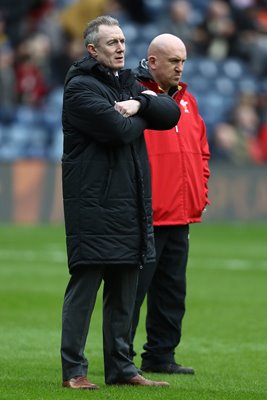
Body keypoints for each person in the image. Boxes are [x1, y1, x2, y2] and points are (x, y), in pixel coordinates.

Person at [60, 17, 180, 390]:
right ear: (93, 49)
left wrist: (138, 102)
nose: (121, 48)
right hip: (94, 206)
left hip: (130, 203)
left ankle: (122, 370)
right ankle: (74, 372)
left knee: (125, 293)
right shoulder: (79, 89)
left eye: (123, 40)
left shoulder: (127, 82)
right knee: (84, 291)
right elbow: (118, 131)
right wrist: (144, 110)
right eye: (112, 42)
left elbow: (171, 112)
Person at [129, 34, 211, 374]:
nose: (180, 67)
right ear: (152, 62)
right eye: (174, 61)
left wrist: (200, 192)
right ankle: (121, 359)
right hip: (145, 215)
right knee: (131, 295)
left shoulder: (188, 101)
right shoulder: (135, 99)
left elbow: (202, 152)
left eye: (183, 61)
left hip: (180, 216)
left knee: (171, 294)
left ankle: (161, 357)